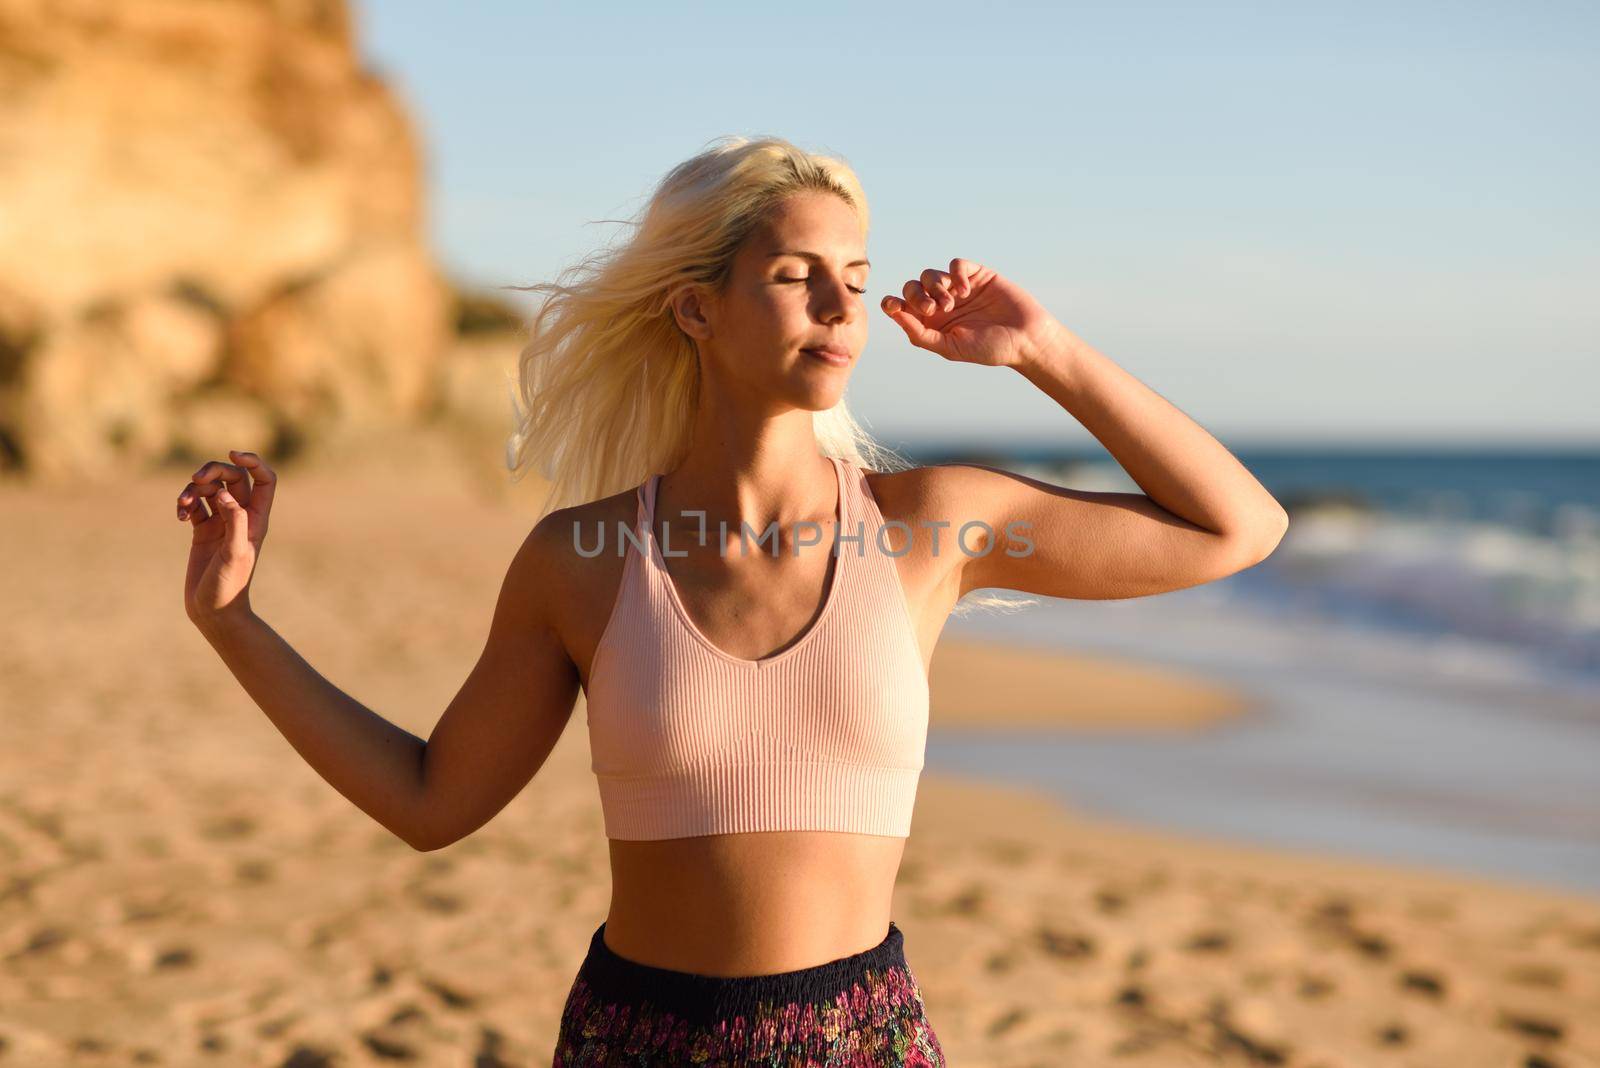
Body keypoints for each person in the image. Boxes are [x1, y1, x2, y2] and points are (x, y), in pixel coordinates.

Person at [174, 135, 1289, 1065]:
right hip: (635, 1039)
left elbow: (1236, 528)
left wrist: (1043, 352)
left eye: (855, 277)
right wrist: (232, 621)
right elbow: (430, 803)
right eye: (794, 273)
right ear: (695, 310)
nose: (838, 304)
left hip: (860, 1039)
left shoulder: (928, 528)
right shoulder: (588, 557)